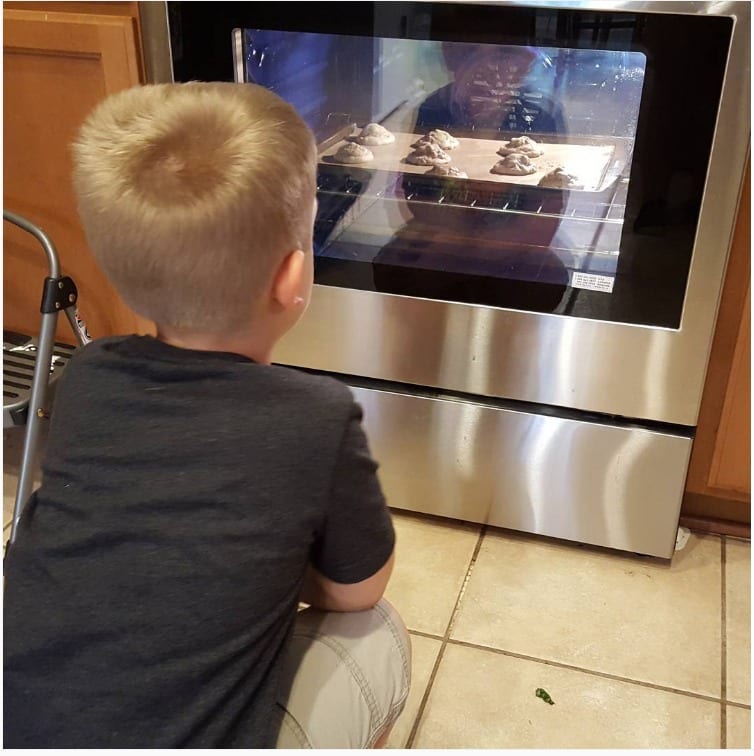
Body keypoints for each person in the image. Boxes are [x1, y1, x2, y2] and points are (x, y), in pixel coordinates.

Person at [3, 82, 410, 749]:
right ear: (292, 279)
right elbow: (356, 589)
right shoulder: (316, 417)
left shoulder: (88, 376)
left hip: (23, 730)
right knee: (379, 632)